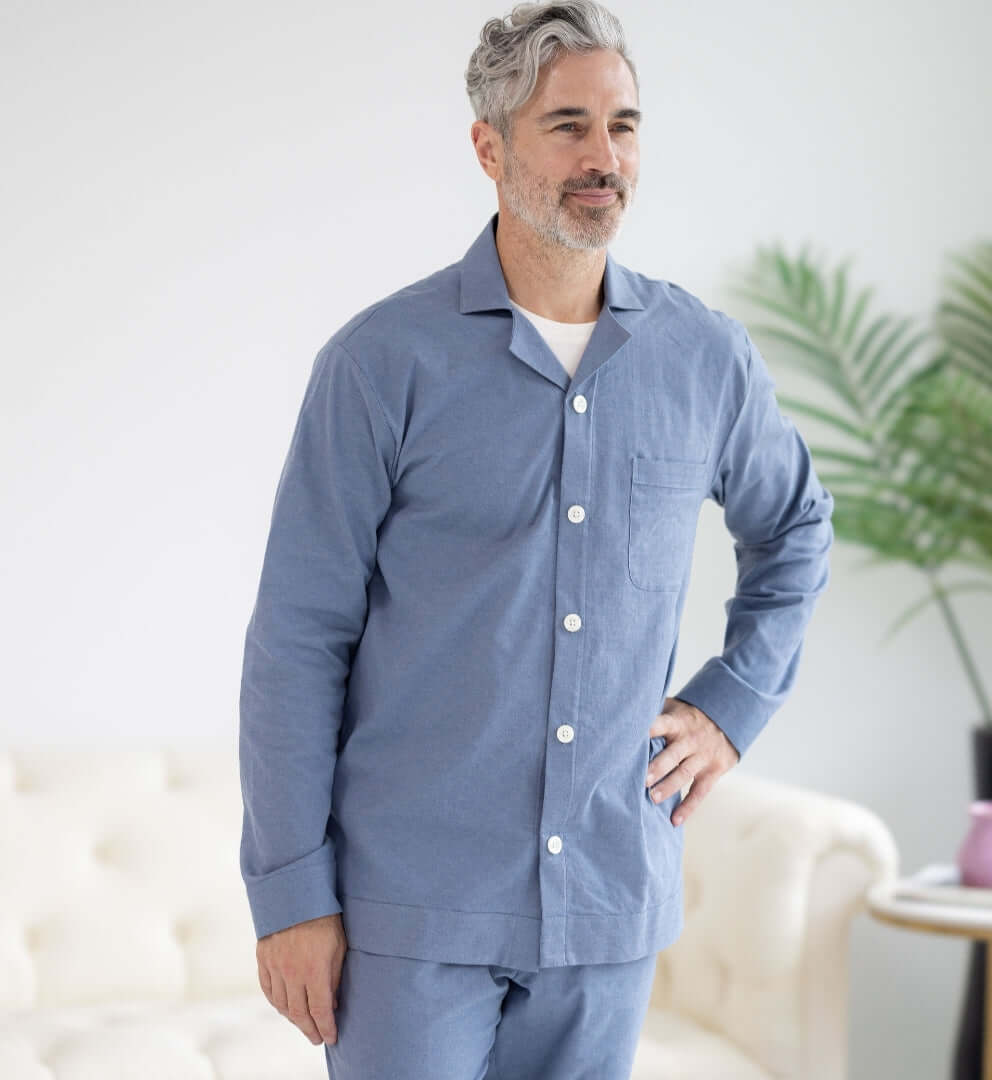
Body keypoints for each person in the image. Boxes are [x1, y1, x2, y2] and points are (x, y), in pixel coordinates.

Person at [238, 2, 835, 1077]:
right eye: (567, 125)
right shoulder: (382, 364)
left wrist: (729, 705)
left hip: (608, 909)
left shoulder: (705, 360)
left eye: (624, 125)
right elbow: (296, 639)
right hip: (409, 918)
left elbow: (796, 526)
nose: (602, 156)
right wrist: (290, 896)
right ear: (490, 146)